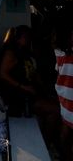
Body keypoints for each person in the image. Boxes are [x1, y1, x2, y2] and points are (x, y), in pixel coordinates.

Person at [53, 10, 73, 160]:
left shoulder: (59, 51)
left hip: (65, 98)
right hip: (69, 98)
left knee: (66, 130)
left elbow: (58, 70)